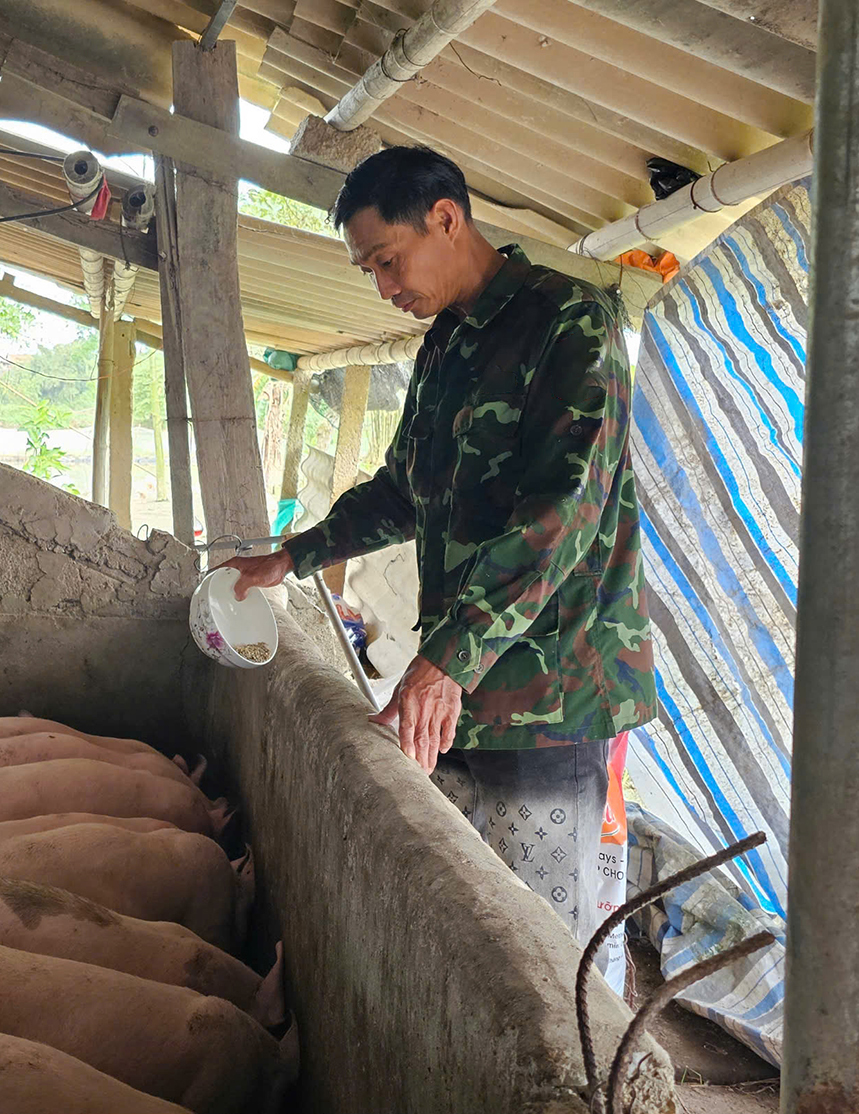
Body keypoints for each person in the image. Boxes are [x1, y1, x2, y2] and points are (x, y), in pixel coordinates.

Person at [222, 146, 657, 942]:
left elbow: (561, 515)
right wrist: (295, 554)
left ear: (446, 219)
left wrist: (445, 660)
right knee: (466, 915)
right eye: (372, 273)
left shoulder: (571, 322)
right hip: (460, 690)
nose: (387, 288)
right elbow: (405, 487)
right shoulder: (447, 344)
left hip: (547, 693)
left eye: (389, 261)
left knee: (541, 938)